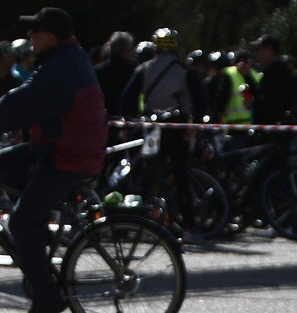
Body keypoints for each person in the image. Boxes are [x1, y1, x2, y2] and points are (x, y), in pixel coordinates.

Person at [0, 7, 108, 313]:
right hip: (62, 146)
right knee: (6, 160)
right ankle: (37, 231)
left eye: (33, 32)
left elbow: (22, 102)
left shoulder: (61, 67)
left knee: (20, 223)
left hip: (69, 155)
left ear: (49, 36)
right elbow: (20, 100)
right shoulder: (63, 59)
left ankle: (46, 297)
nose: (29, 38)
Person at [119, 28, 198, 229]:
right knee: (181, 174)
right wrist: (194, 123)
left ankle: (141, 216)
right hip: (178, 126)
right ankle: (188, 219)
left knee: (149, 172)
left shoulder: (145, 69)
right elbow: (200, 98)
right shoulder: (184, 70)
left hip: (152, 127)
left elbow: (126, 98)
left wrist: (128, 123)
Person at [250, 34, 297, 125]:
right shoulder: (271, 72)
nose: (255, 54)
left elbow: (272, 104)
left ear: (269, 50)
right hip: (271, 131)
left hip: (277, 133)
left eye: (258, 49)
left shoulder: (279, 73)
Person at [93, 31, 135, 117]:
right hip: (127, 117)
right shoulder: (133, 70)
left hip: (102, 116)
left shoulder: (97, 70)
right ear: (125, 49)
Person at [217, 51, 259, 125]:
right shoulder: (229, 74)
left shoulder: (254, 75)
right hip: (234, 123)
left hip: (248, 124)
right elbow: (222, 98)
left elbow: (258, 95)